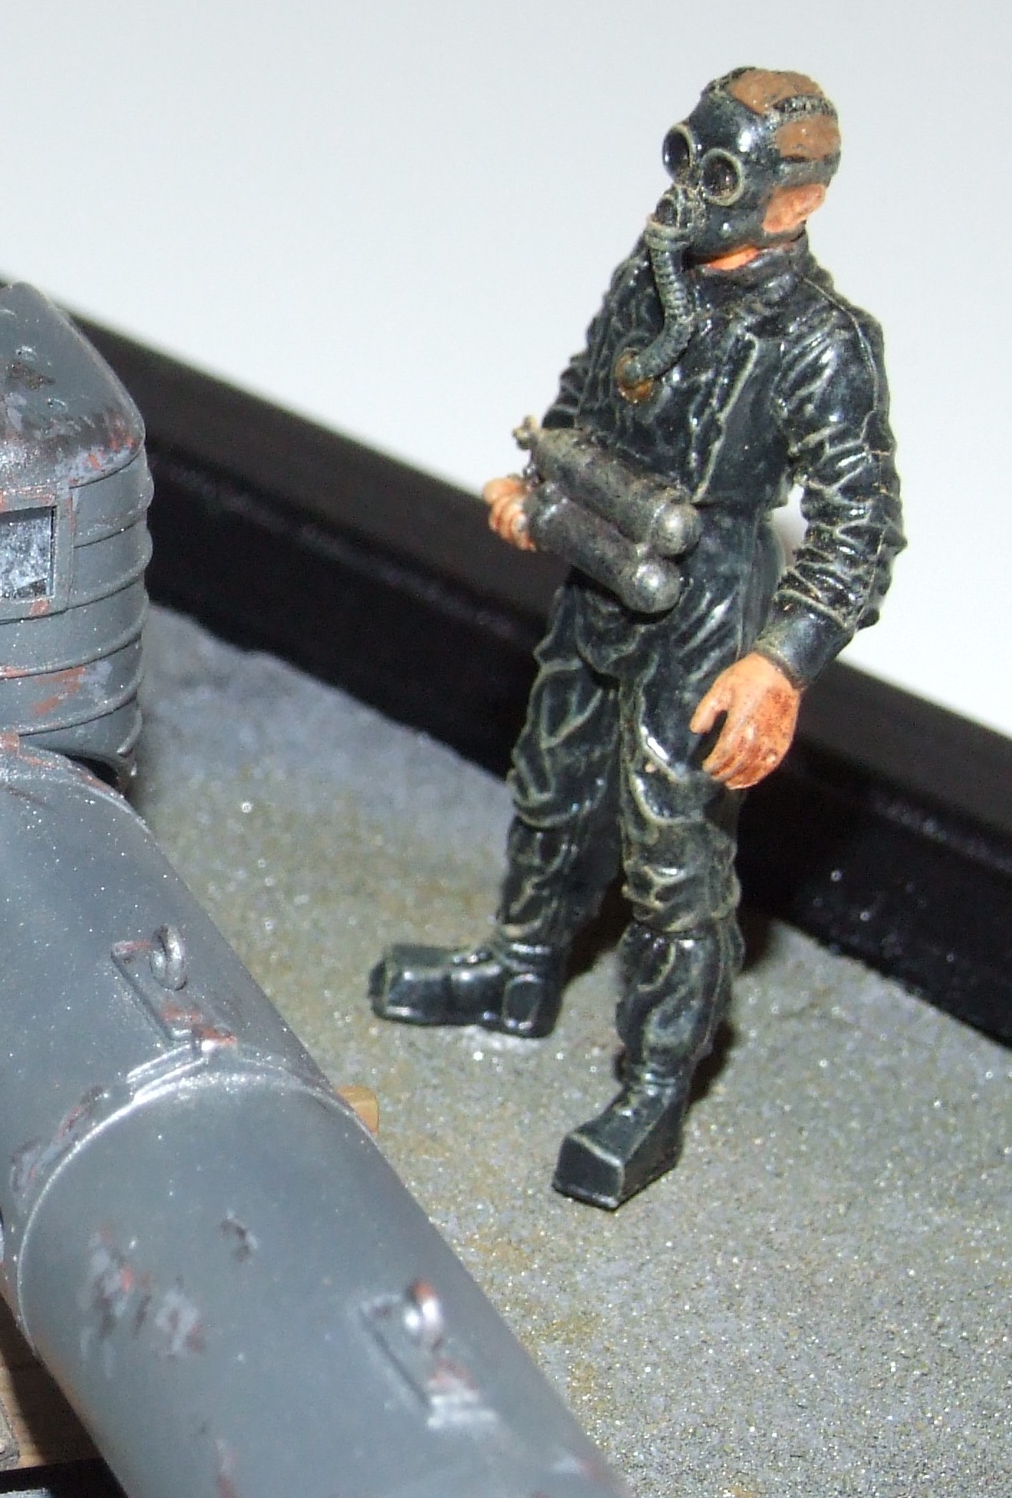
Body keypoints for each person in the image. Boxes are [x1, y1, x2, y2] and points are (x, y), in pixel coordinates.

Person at [370, 68, 902, 1208]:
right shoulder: (654, 273)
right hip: (601, 563)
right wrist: (538, 485)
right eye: (685, 158)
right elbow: (585, 392)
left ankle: (656, 1083)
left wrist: (779, 662)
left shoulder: (821, 343)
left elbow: (860, 525)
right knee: (553, 777)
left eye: (722, 172)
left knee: (671, 848)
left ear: (793, 201)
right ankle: (521, 966)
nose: (691, 191)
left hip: (710, 600)